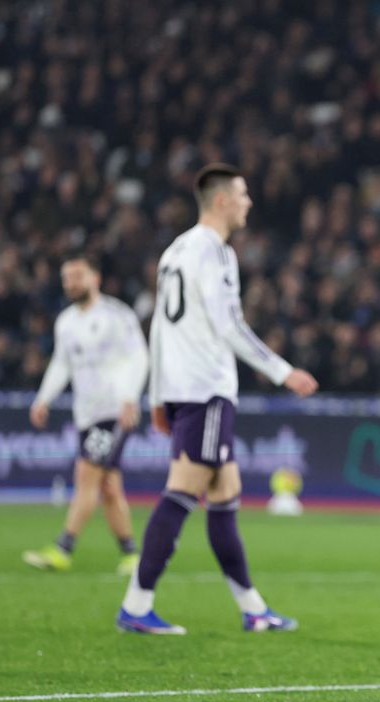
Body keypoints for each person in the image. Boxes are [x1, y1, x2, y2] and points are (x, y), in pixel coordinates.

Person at [116, 163, 318, 635]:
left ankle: (253, 609)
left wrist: (157, 396)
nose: (249, 203)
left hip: (183, 388)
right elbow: (230, 326)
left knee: (225, 493)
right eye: (244, 195)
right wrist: (283, 371)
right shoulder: (215, 252)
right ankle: (137, 604)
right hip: (206, 389)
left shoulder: (174, 251)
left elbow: (160, 329)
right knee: (182, 492)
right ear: (223, 200)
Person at [23, 257, 148, 576]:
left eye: (77, 276)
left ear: (96, 278)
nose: (71, 283)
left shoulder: (117, 315)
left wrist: (129, 398)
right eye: (66, 278)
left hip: (112, 411)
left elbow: (138, 357)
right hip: (85, 413)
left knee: (86, 476)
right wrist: (43, 398)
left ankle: (63, 548)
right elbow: (62, 364)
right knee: (108, 487)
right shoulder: (65, 321)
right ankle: (132, 555)